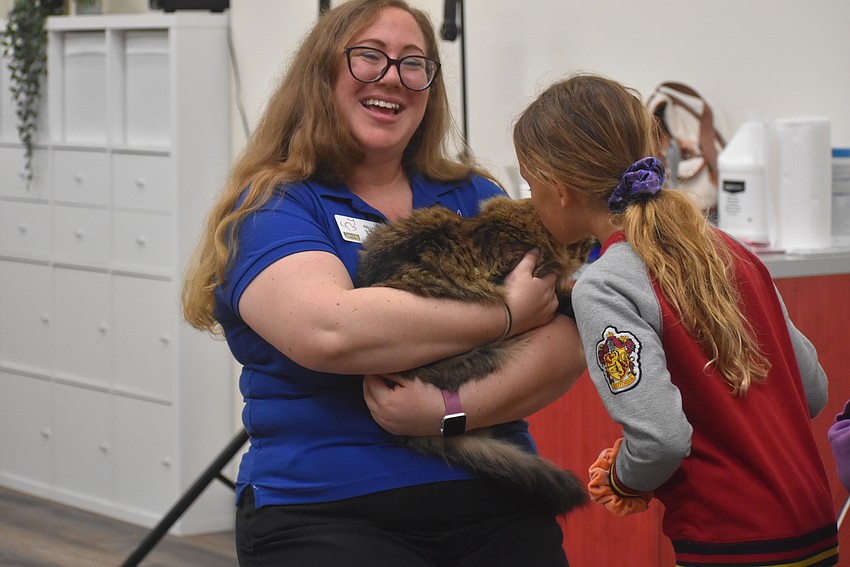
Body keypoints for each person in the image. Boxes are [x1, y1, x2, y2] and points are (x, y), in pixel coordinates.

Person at [181, 1, 586, 565]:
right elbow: (331, 331)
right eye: (369, 57)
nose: (392, 77)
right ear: (323, 74)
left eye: (413, 63)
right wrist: (507, 314)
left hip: (495, 496)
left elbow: (567, 339)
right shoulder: (276, 205)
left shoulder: (475, 194)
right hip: (328, 506)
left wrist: (447, 410)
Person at [512, 73, 839, 566]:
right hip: (813, 528)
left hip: (728, 542)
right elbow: (810, 389)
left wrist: (623, 478)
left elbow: (660, 440)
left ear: (558, 189)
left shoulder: (604, 285)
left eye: (529, 182)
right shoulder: (733, 251)